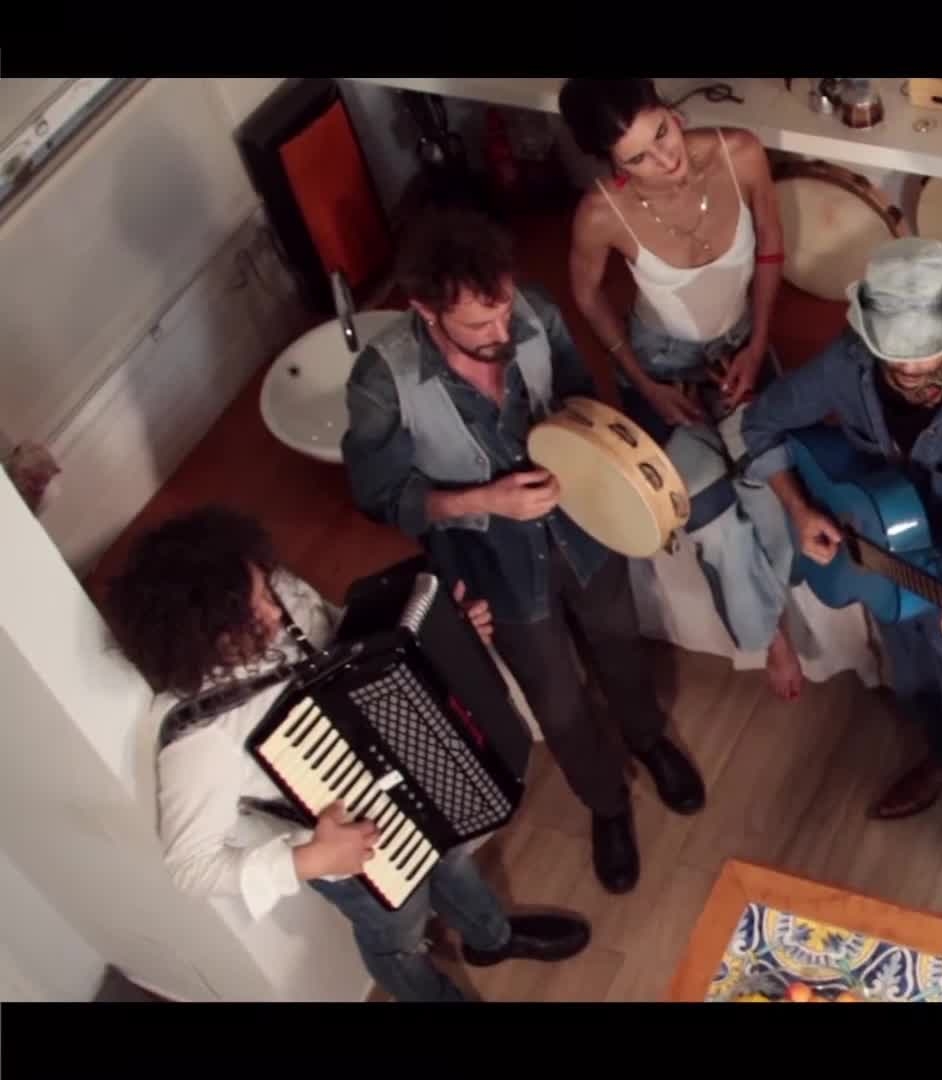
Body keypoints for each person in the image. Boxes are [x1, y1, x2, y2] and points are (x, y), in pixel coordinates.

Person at [341, 206, 706, 897]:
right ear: (424, 310)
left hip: (584, 527)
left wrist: (589, 455)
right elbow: (380, 496)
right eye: (479, 325)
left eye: (503, 310)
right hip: (491, 564)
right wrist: (484, 501)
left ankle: (648, 739)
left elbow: (578, 397)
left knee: (620, 644)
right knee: (556, 698)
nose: (502, 333)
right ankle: (606, 802)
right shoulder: (382, 380)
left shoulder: (534, 311)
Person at [103, 506, 592, 1003]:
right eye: (251, 616)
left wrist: (452, 635)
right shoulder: (201, 741)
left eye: (264, 592)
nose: (274, 611)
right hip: (348, 856)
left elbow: (352, 641)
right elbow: (190, 868)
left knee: (453, 860)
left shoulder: (280, 590)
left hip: (408, 774)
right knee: (398, 935)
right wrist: (308, 859)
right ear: (202, 635)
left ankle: (491, 939)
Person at [736, 236, 942, 899]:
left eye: (928, 353)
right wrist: (799, 509)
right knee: (912, 679)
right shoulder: (845, 364)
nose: (912, 369)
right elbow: (760, 425)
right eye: (895, 354)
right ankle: (940, 757)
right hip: (881, 554)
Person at [557, 78, 806, 702]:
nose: (664, 159)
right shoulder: (601, 213)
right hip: (661, 369)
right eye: (638, 158)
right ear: (613, 165)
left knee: (770, 498)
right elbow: (586, 293)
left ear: (671, 112)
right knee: (715, 526)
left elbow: (771, 244)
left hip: (742, 345)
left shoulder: (740, 152)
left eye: (662, 133)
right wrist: (642, 381)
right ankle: (770, 635)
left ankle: (768, 612)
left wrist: (758, 344)